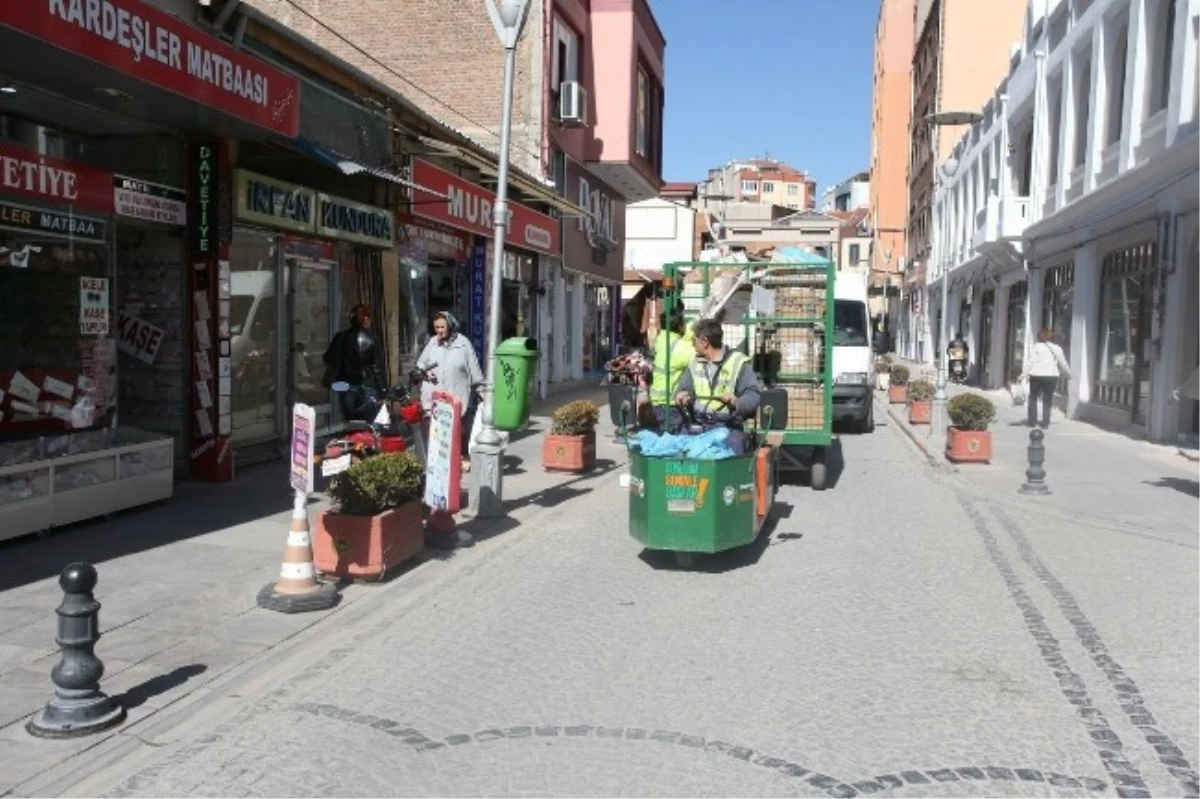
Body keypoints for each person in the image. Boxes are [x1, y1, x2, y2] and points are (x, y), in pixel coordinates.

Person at [673, 318, 762, 456]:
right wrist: (681, 396)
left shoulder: (738, 362)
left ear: (704, 342)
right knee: (678, 452)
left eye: (694, 340)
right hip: (698, 424)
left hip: (727, 425)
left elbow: (754, 396)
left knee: (731, 455)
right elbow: (684, 387)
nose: (692, 344)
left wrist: (735, 402)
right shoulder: (695, 363)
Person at [415, 311, 484, 472]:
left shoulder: (463, 344)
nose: (439, 331)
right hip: (434, 398)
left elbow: (474, 371)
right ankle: (439, 465)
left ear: (451, 325)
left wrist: (482, 392)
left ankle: (460, 458)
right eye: (436, 327)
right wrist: (425, 371)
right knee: (437, 434)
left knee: (458, 433)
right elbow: (420, 363)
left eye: (442, 327)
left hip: (456, 398)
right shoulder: (432, 343)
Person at [327, 304, 386, 422]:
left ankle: (353, 440)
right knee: (368, 422)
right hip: (368, 385)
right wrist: (383, 390)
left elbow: (328, 358)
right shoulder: (372, 338)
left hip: (346, 385)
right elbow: (377, 367)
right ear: (365, 319)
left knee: (351, 422)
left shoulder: (340, 337)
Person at [647, 310, 694, 433]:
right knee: (675, 444)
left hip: (659, 402)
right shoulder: (680, 347)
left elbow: (685, 334)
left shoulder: (662, 339)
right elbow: (702, 353)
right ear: (679, 326)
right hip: (670, 404)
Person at [1024, 327, 1072, 428]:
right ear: (1051, 336)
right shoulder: (1057, 348)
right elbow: (1062, 362)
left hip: (1036, 375)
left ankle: (1032, 421)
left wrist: (1024, 374)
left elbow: (1031, 362)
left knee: (1033, 397)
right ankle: (1045, 423)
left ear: (1039, 336)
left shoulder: (1036, 346)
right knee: (1047, 399)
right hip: (1051, 376)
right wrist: (1069, 374)